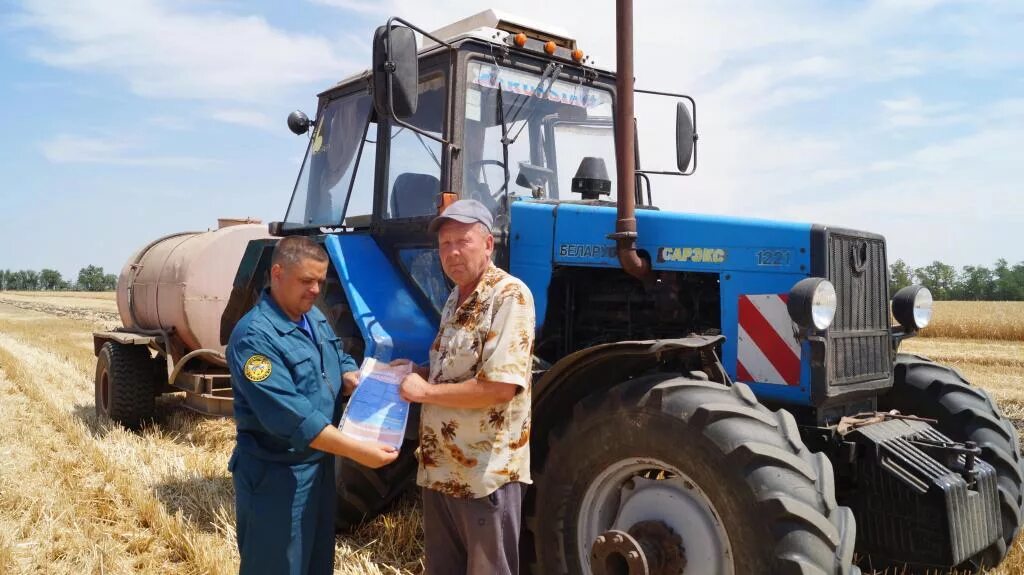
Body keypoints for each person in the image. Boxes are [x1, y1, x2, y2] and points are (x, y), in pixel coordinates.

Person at [227, 235, 399, 575]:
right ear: (277, 273)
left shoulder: (313, 318)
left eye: (320, 281)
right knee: (277, 565)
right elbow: (294, 420)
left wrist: (353, 376)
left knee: (317, 562)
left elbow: (337, 355)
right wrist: (360, 452)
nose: (316, 290)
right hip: (277, 475)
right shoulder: (254, 338)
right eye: (306, 280)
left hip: (318, 468)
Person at [396, 199, 536, 575]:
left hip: (483, 478)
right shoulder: (454, 299)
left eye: (463, 241)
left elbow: (500, 388)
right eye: (445, 245)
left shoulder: (509, 296)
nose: (453, 252)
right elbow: (454, 371)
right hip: (440, 469)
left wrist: (423, 392)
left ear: (488, 244)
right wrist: (418, 371)